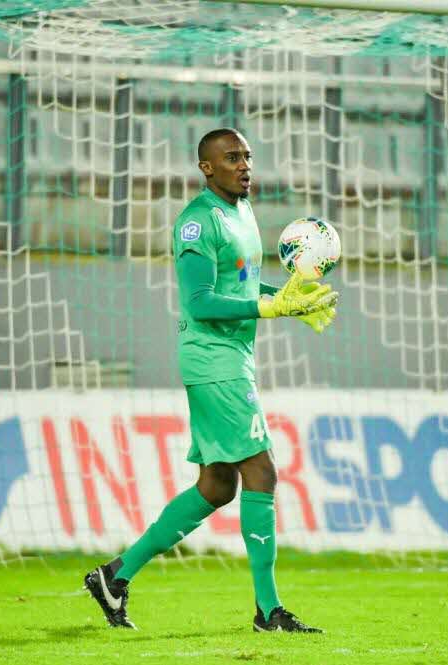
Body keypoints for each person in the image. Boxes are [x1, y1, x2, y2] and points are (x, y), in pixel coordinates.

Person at [83, 127, 337, 633]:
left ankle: (115, 576)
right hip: (212, 358)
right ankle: (268, 611)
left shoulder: (242, 214)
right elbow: (199, 301)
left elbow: (238, 285)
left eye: (247, 156)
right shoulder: (197, 223)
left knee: (217, 486)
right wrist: (265, 307)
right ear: (206, 167)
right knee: (261, 471)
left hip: (232, 357)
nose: (244, 165)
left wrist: (287, 301)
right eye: (231, 157)